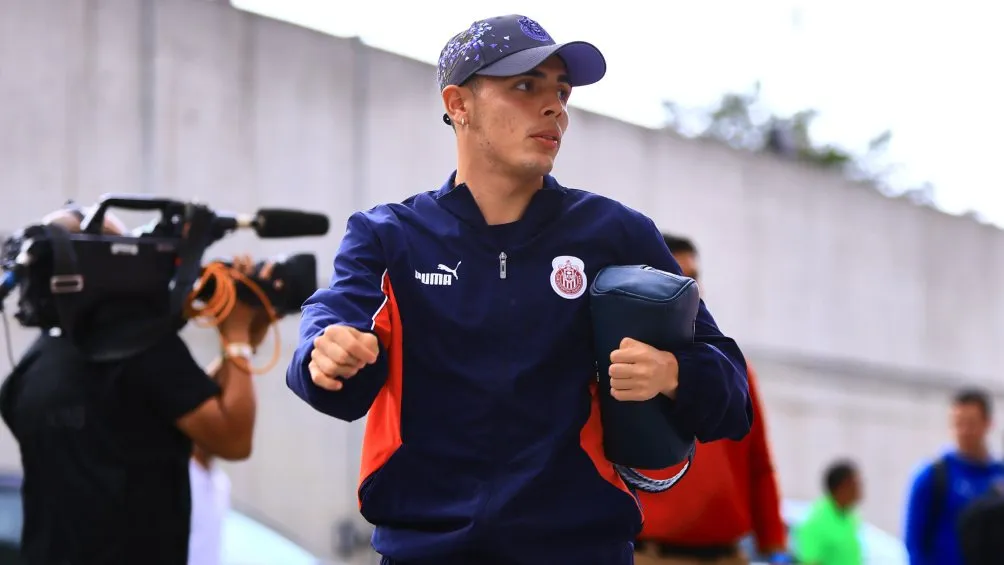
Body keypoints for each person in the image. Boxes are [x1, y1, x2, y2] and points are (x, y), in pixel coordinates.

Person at [286, 14, 752, 565]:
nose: (555, 107)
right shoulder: (389, 235)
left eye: (562, 91)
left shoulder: (616, 233)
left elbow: (732, 392)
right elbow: (333, 344)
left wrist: (673, 373)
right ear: (458, 104)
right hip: (426, 551)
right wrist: (325, 355)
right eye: (526, 86)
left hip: (581, 551)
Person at [0, 205, 266, 565]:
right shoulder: (143, 349)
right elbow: (232, 439)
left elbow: (170, 404)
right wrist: (236, 337)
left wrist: (240, 350)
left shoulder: (34, 364)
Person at [634, 234, 788, 565]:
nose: (687, 288)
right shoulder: (626, 365)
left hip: (728, 555)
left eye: (693, 278)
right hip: (653, 556)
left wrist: (773, 541)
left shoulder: (733, 369)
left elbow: (758, 461)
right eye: (675, 275)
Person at [903, 388, 1004, 565]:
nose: (964, 431)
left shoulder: (999, 474)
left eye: (971, 423)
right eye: (958, 423)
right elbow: (914, 544)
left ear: (988, 423)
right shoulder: (932, 476)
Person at [793, 459, 864, 565]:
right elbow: (810, 561)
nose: (860, 488)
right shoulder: (816, 521)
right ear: (843, 485)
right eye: (856, 483)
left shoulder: (849, 516)